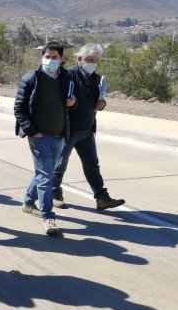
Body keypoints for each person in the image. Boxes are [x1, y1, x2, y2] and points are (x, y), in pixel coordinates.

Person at [52, 43, 125, 210]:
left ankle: (102, 197)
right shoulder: (68, 75)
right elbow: (60, 101)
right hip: (69, 130)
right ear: (79, 59)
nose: (92, 62)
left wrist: (102, 104)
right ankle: (54, 193)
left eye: (96, 60)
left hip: (87, 129)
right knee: (60, 164)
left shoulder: (95, 78)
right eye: (89, 59)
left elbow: (97, 100)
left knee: (92, 165)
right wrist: (71, 103)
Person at [14, 41, 75, 236]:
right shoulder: (31, 78)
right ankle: (48, 216)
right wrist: (33, 131)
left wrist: (73, 102)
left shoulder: (66, 77)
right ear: (42, 57)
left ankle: (28, 201)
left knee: (44, 173)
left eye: (54, 57)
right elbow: (20, 109)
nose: (50, 60)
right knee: (46, 176)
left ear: (62, 59)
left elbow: (72, 100)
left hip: (59, 134)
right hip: (39, 136)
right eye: (47, 56)